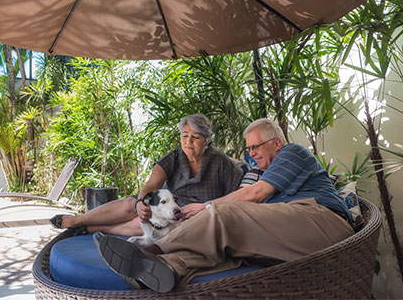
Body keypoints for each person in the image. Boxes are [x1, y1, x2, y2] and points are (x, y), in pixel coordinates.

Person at [94, 118, 354, 292]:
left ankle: (149, 251)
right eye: (248, 149)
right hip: (288, 237)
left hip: (323, 223)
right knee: (220, 243)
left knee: (222, 213)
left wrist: (206, 206)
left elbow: (256, 194)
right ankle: (164, 268)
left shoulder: (291, 153)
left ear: (276, 142)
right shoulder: (258, 170)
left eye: (256, 146)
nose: (251, 153)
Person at [50, 114, 243, 236]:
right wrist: (140, 203)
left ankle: (95, 228)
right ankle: (78, 221)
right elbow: (151, 186)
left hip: (193, 213)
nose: (188, 141)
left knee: (147, 224)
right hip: (167, 202)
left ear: (207, 141)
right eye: (184, 135)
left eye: (196, 137)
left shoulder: (222, 163)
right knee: (131, 204)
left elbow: (235, 198)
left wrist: (206, 209)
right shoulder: (174, 157)